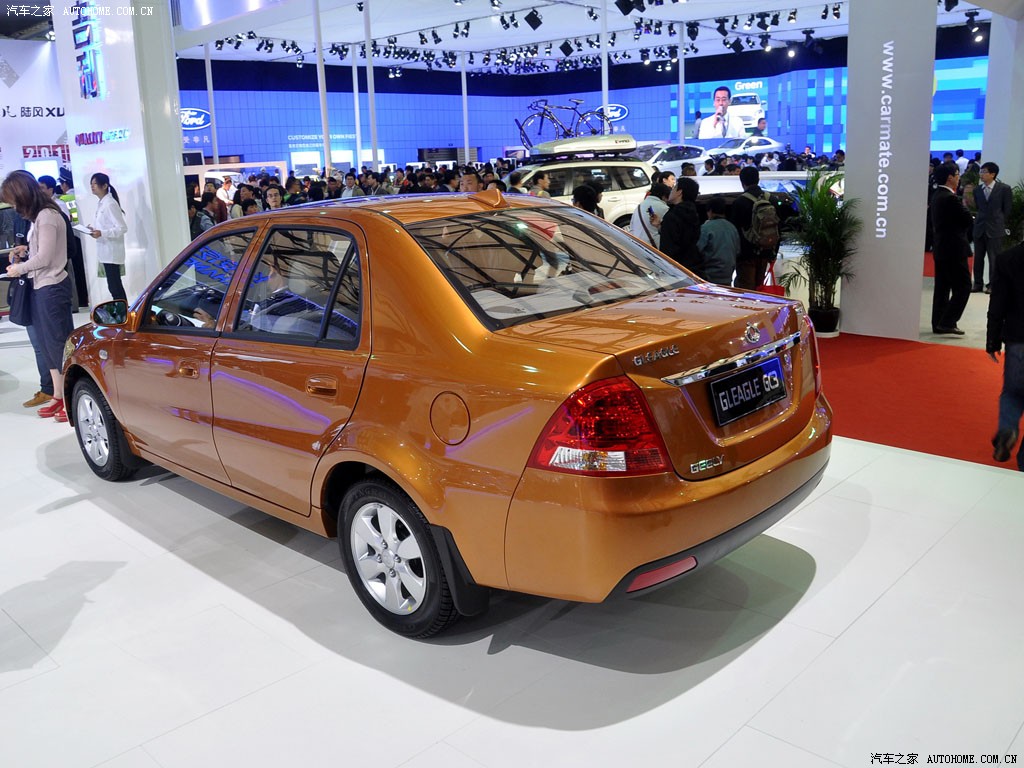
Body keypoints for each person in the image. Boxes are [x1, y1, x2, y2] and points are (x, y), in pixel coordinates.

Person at [1, 170, 74, 422]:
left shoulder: (48, 216)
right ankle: (58, 394)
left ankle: (68, 396)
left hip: (52, 288)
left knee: (57, 344)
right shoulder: (41, 216)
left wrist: (19, 268)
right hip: (42, 287)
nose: (14, 207)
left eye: (14, 201)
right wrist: (26, 250)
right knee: (46, 343)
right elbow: (42, 252)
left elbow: (45, 258)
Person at [987, 241, 1024, 470]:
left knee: (1012, 392)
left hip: (1017, 340)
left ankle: (1008, 429)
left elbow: (997, 303)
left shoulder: (1007, 259)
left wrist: (992, 340)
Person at [930, 162, 973, 335]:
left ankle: (939, 322)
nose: (958, 177)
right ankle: (947, 321)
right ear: (950, 178)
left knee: (942, 287)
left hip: (941, 247)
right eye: (957, 175)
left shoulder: (937, 195)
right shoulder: (950, 198)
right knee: (964, 286)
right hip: (954, 248)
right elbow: (966, 219)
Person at [731, 166, 777, 289]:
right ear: (758, 179)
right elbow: (778, 226)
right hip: (766, 250)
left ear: (742, 182)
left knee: (746, 289)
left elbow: (735, 230)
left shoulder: (740, 202)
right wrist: (774, 251)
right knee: (759, 287)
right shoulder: (771, 199)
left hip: (746, 254)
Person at [971, 161, 1012, 294]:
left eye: (984, 172)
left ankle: (993, 285)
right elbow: (978, 207)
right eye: (981, 172)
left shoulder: (1004, 189)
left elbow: (1007, 209)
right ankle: (977, 283)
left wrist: (1000, 222)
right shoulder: (977, 190)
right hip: (979, 227)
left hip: (995, 228)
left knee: (994, 258)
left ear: (993, 174)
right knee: (978, 258)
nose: (981, 174)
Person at [88, 172, 128, 302]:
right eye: (91, 184)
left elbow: (122, 228)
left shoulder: (110, 203)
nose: (92, 186)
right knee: (113, 285)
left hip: (112, 252)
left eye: (95, 183)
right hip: (105, 251)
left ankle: (123, 310)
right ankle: (121, 309)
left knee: (115, 286)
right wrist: (94, 231)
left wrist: (102, 233)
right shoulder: (102, 203)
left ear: (104, 186)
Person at [658, 177, 703, 276]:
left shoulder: (672, 216)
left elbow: (668, 249)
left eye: (674, 188)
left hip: (676, 270)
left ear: (679, 192)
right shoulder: (694, 213)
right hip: (693, 267)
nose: (671, 190)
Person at [697, 196, 741, 286]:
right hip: (728, 275)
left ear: (710, 211)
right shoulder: (732, 228)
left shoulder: (706, 228)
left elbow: (698, 250)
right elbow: (737, 250)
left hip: (709, 276)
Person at [629, 182, 671, 249]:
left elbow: (631, 228)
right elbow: (669, 231)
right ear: (664, 196)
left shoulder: (639, 206)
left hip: (636, 245)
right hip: (653, 247)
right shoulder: (665, 208)